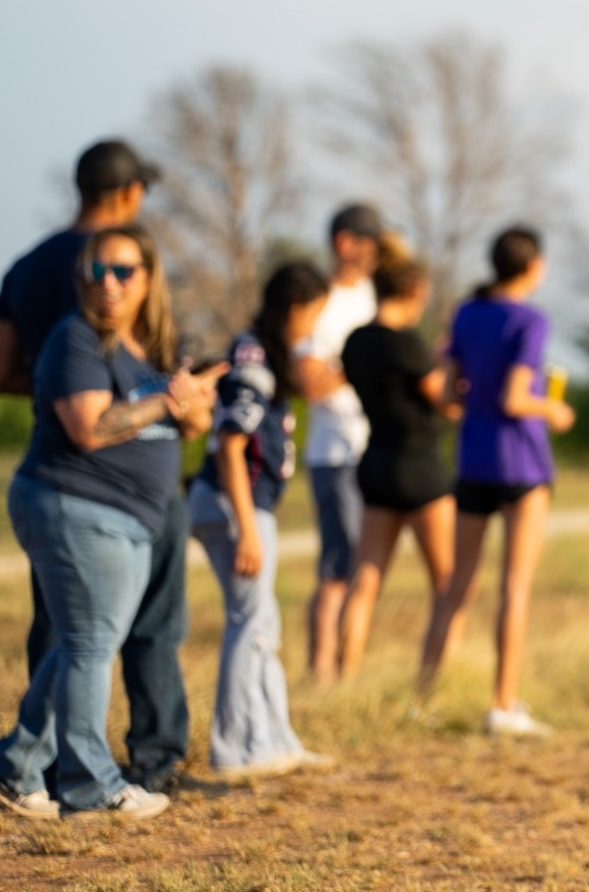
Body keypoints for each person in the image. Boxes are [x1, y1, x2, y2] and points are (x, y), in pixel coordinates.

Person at [0, 225, 220, 819]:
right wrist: (167, 400)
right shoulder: (77, 339)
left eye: (123, 271)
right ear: (81, 278)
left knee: (81, 642)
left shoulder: (152, 345)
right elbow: (89, 428)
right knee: (91, 643)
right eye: (97, 270)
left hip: (131, 516)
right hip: (75, 504)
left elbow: (191, 427)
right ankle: (91, 787)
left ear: (149, 279)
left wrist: (191, 401)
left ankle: (15, 766)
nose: (108, 284)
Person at [419, 226, 575, 736]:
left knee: (455, 585)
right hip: (522, 466)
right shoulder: (529, 319)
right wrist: (551, 408)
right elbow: (515, 399)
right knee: (514, 587)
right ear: (532, 266)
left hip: (473, 460)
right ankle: (502, 705)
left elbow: (447, 394)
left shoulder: (466, 312)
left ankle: (424, 696)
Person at [189, 262, 334, 779]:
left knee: (262, 623)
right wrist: (248, 529)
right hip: (236, 507)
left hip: (243, 506)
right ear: (295, 308)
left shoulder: (266, 355)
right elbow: (231, 447)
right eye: (313, 315)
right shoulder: (252, 360)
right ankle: (233, 750)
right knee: (249, 624)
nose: (314, 327)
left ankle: (276, 741)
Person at [337, 235, 457, 677]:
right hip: (418, 463)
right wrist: (447, 362)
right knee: (448, 583)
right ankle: (432, 680)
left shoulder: (355, 341)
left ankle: (342, 676)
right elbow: (441, 397)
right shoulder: (405, 343)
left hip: (376, 462)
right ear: (413, 292)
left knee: (364, 580)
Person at [295, 205, 382, 685]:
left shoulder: (371, 295)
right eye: (371, 241)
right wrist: (366, 362)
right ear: (346, 242)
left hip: (372, 445)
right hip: (334, 451)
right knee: (337, 566)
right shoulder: (318, 300)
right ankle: (321, 674)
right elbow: (310, 380)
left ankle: (347, 673)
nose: (377, 252)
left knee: (363, 567)